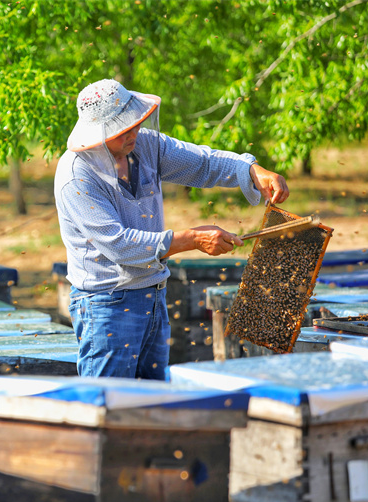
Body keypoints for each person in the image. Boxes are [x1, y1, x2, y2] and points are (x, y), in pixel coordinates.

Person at [54, 79, 289, 381]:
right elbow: (120, 245)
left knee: (152, 406)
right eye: (122, 128)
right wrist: (192, 238)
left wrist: (252, 170)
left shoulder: (146, 145)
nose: (133, 131)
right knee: (108, 406)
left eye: (134, 122)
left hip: (153, 295)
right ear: (99, 132)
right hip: (106, 305)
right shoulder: (77, 175)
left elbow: (203, 164)